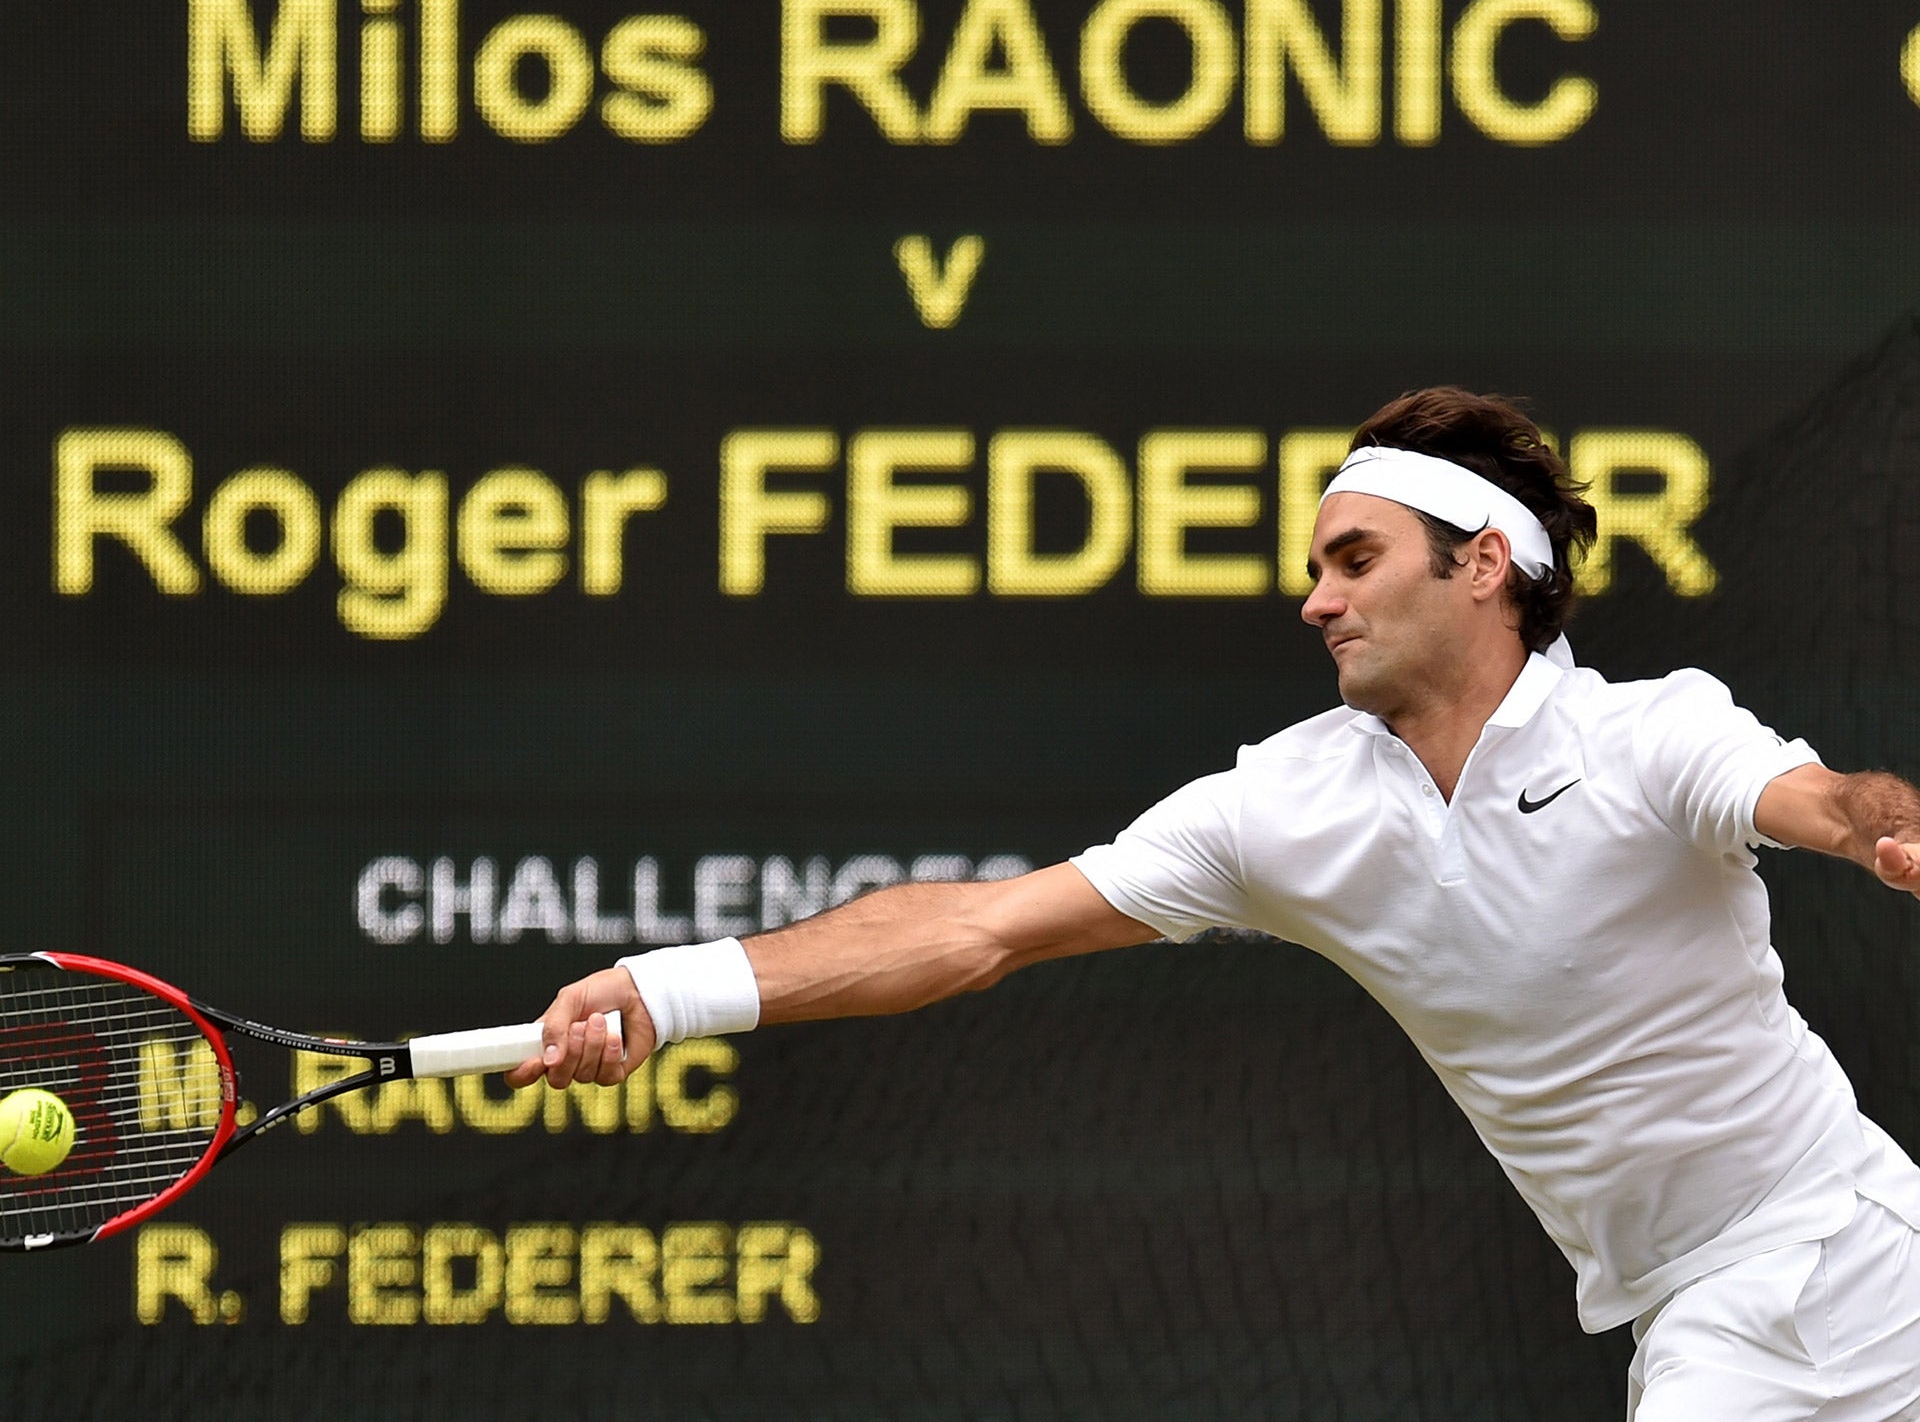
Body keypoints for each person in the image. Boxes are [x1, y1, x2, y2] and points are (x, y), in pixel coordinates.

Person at [506, 387, 1920, 1419]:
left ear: (1482, 564)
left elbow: (1824, 805)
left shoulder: (1649, 736)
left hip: (1863, 1253)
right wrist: (670, 989)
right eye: (1315, 568)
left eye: (1353, 560)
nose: (1314, 600)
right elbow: (978, 928)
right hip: (1693, 1321)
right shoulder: (1283, 809)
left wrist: (1887, 836)